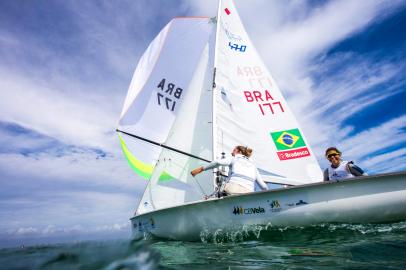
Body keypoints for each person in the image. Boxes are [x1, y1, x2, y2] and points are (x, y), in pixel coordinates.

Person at [191, 145, 268, 195]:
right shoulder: (253, 166)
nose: (231, 153)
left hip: (233, 189)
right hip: (249, 193)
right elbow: (263, 186)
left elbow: (217, 162)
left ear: (239, 152)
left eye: (234, 150)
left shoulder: (234, 159)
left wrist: (201, 169)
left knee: (220, 189)